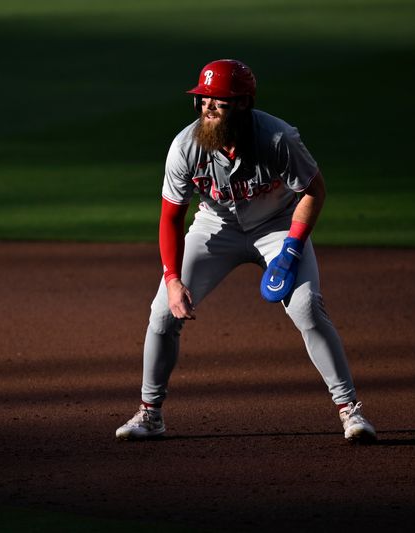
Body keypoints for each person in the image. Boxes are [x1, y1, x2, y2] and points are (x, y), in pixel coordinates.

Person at [115, 59, 376, 443]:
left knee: (305, 306)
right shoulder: (185, 146)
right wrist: (172, 279)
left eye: (218, 101)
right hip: (215, 228)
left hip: (279, 226)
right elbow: (171, 217)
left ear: (243, 104)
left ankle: (349, 410)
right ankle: (150, 414)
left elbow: (313, 191)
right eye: (203, 99)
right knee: (162, 314)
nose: (208, 107)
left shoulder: (277, 139)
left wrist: (290, 249)